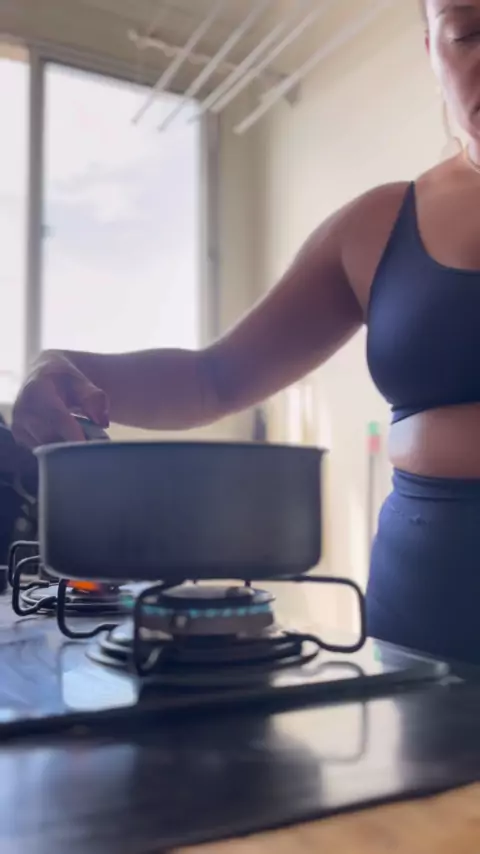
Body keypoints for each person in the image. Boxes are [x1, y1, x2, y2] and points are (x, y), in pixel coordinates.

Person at [11, 0, 480, 664]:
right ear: (431, 47)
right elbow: (214, 379)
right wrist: (66, 367)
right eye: (469, 33)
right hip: (420, 606)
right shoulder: (376, 225)